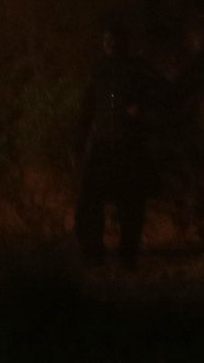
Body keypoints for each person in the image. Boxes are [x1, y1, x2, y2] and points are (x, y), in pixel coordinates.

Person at [76, 18, 161, 269]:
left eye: (114, 39)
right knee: (90, 202)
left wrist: (142, 111)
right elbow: (88, 107)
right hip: (104, 144)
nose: (110, 44)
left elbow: (159, 99)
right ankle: (94, 255)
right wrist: (78, 139)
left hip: (130, 144)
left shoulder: (139, 69)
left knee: (131, 204)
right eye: (106, 39)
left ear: (125, 42)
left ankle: (127, 256)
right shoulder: (99, 70)